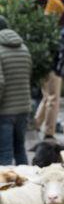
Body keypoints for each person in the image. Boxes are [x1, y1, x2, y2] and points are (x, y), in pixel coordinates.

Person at [0, 16, 33, 165]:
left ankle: (4, 187)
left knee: (5, 153)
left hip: (4, 111)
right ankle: (27, 184)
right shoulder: (24, 48)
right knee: (20, 149)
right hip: (23, 108)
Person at [35, 0, 64, 137]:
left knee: (46, 97)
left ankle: (36, 122)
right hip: (52, 68)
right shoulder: (50, 27)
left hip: (43, 67)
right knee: (53, 99)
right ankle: (49, 131)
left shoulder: (39, 24)